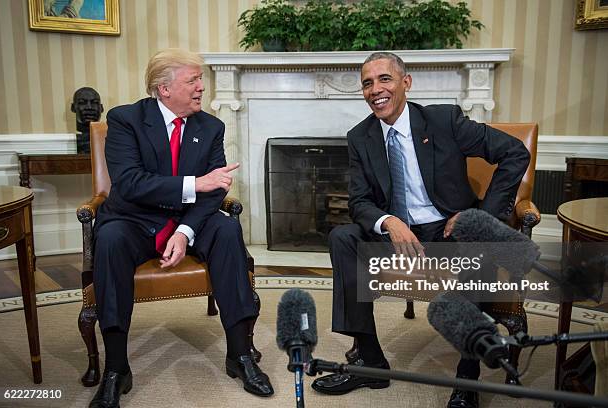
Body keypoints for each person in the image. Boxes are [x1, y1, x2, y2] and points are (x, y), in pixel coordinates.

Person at [310, 52, 530, 408]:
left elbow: (515, 153)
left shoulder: (445, 120)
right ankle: (370, 362)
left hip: (448, 229)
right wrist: (390, 222)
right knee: (343, 237)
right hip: (399, 236)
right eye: (367, 83)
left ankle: (467, 376)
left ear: (405, 83)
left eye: (385, 79)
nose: (375, 90)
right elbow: (359, 201)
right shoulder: (360, 136)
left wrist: (483, 217)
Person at [89, 48, 273, 408]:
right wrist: (195, 183)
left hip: (187, 220)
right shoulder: (126, 119)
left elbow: (215, 189)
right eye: (192, 80)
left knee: (227, 230)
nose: (201, 88)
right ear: (163, 89)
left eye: (200, 79)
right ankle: (116, 369)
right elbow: (129, 183)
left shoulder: (211, 126)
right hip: (133, 219)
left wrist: (185, 231)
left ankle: (240, 355)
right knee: (108, 238)